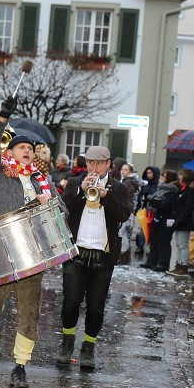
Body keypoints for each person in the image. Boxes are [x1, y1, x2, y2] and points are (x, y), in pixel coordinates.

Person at [0, 101, 59, 388]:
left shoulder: (43, 181)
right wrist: (2, 118)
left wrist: (49, 205)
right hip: (1, 249)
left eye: (32, 149)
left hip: (33, 255)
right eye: (22, 147)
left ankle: (20, 366)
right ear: (9, 151)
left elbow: (61, 217)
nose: (28, 151)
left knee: (29, 312)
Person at [56, 146, 132, 371]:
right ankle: (67, 342)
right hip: (76, 250)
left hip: (103, 252)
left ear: (108, 164)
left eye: (98, 164)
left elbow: (124, 214)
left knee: (96, 306)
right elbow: (63, 207)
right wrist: (81, 189)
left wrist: (106, 195)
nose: (93, 167)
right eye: (90, 163)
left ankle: (88, 347)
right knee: (70, 301)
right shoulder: (74, 182)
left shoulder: (119, 188)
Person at [166, 168, 194, 276]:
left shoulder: (191, 191)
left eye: (181, 175)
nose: (179, 177)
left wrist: (179, 220)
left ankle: (184, 266)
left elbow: (188, 208)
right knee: (178, 244)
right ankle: (178, 264)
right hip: (178, 221)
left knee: (183, 244)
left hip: (185, 222)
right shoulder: (182, 189)